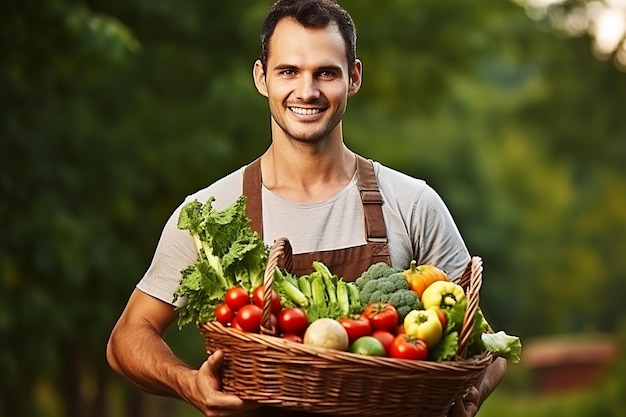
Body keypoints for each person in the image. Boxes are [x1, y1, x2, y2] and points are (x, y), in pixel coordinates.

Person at [106, 0, 507, 416]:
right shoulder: (213, 211)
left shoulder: (411, 202)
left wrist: (470, 394)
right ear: (261, 78)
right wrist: (188, 383)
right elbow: (128, 338)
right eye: (288, 71)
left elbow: (486, 345)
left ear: (353, 77)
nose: (307, 90)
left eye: (326, 73)